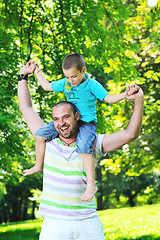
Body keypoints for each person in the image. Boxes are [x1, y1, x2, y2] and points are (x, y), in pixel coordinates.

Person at [18, 62, 144, 240]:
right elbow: (26, 108)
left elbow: (131, 133)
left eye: (66, 117)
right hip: (54, 224)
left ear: (77, 117)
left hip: (88, 223)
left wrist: (139, 99)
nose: (61, 123)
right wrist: (23, 75)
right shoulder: (47, 142)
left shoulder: (92, 142)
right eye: (56, 119)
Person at [23, 53, 128, 201]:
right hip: (69, 120)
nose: (71, 81)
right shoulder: (66, 84)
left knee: (84, 146)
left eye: (74, 76)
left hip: (86, 123)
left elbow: (109, 99)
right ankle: (39, 165)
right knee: (40, 135)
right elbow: (46, 86)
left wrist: (125, 94)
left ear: (83, 70)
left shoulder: (92, 85)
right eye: (67, 77)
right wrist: (36, 70)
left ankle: (91, 184)